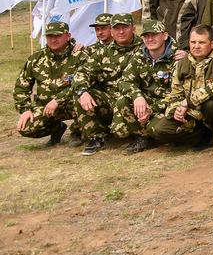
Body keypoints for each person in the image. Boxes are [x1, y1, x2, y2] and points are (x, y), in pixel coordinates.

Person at [147, 24, 213, 156]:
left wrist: (187, 103)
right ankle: (201, 137)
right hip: (192, 113)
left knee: (211, 105)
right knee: (161, 130)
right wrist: (176, 109)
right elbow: (175, 94)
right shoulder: (182, 63)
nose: (196, 46)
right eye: (193, 42)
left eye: (201, 42)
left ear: (211, 43)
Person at [70, 13, 143, 155]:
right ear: (112, 31)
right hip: (110, 101)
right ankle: (96, 138)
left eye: (125, 27)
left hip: (133, 100)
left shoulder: (145, 49)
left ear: (133, 29)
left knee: (120, 132)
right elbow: (82, 73)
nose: (121, 32)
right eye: (117, 28)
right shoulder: (103, 52)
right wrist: (82, 92)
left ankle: (142, 135)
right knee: (81, 94)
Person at [13, 21, 84, 147]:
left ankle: (77, 131)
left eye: (57, 36)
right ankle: (56, 128)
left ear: (68, 36)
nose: (53, 40)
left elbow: (83, 84)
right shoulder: (36, 59)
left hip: (72, 104)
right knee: (26, 127)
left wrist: (58, 100)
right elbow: (21, 87)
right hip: (46, 108)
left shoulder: (79, 56)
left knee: (85, 100)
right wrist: (26, 109)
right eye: (50, 36)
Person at [112, 20, 176, 155]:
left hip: (168, 105)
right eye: (146, 36)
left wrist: (150, 110)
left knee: (157, 129)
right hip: (147, 103)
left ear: (164, 36)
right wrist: (137, 96)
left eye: (154, 35)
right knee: (120, 127)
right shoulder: (139, 56)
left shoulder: (176, 58)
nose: (150, 39)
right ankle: (143, 137)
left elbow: (177, 94)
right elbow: (124, 81)